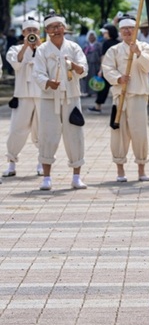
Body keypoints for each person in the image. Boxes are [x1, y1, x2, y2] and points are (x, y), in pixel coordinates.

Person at [32, 12, 88, 191]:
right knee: (47, 134)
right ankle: (46, 177)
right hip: (49, 98)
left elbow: (84, 69)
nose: (56, 30)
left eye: (59, 26)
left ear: (64, 28)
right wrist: (48, 82)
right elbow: (37, 73)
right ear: (47, 30)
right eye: (52, 27)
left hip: (71, 96)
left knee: (75, 134)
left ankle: (76, 176)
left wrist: (75, 66)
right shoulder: (42, 50)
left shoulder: (73, 47)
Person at [101, 15, 149, 182]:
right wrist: (119, 78)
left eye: (131, 29)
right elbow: (107, 69)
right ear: (120, 31)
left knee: (140, 132)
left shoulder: (145, 47)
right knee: (119, 132)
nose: (127, 31)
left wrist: (138, 53)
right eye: (124, 29)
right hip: (121, 95)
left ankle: (141, 168)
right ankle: (120, 170)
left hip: (138, 95)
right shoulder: (114, 50)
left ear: (136, 30)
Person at [4, 18, 43, 178]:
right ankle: (11, 162)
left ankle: (42, 161)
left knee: (42, 129)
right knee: (16, 129)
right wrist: (27, 45)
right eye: (29, 31)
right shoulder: (15, 48)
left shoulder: (45, 49)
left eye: (35, 30)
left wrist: (38, 46)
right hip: (23, 93)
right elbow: (16, 64)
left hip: (41, 94)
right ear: (23, 32)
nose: (32, 33)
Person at [88, 24, 120, 114]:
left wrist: (101, 70)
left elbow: (104, 57)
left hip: (108, 69)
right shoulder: (118, 42)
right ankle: (119, 107)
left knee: (102, 89)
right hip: (118, 69)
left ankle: (98, 107)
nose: (104, 34)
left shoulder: (106, 43)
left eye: (105, 32)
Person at [83, 31, 103, 97]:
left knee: (95, 78)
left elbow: (101, 55)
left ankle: (96, 91)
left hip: (96, 64)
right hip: (88, 64)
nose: (91, 37)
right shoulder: (85, 45)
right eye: (90, 36)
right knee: (87, 78)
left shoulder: (98, 45)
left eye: (93, 36)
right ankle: (88, 92)